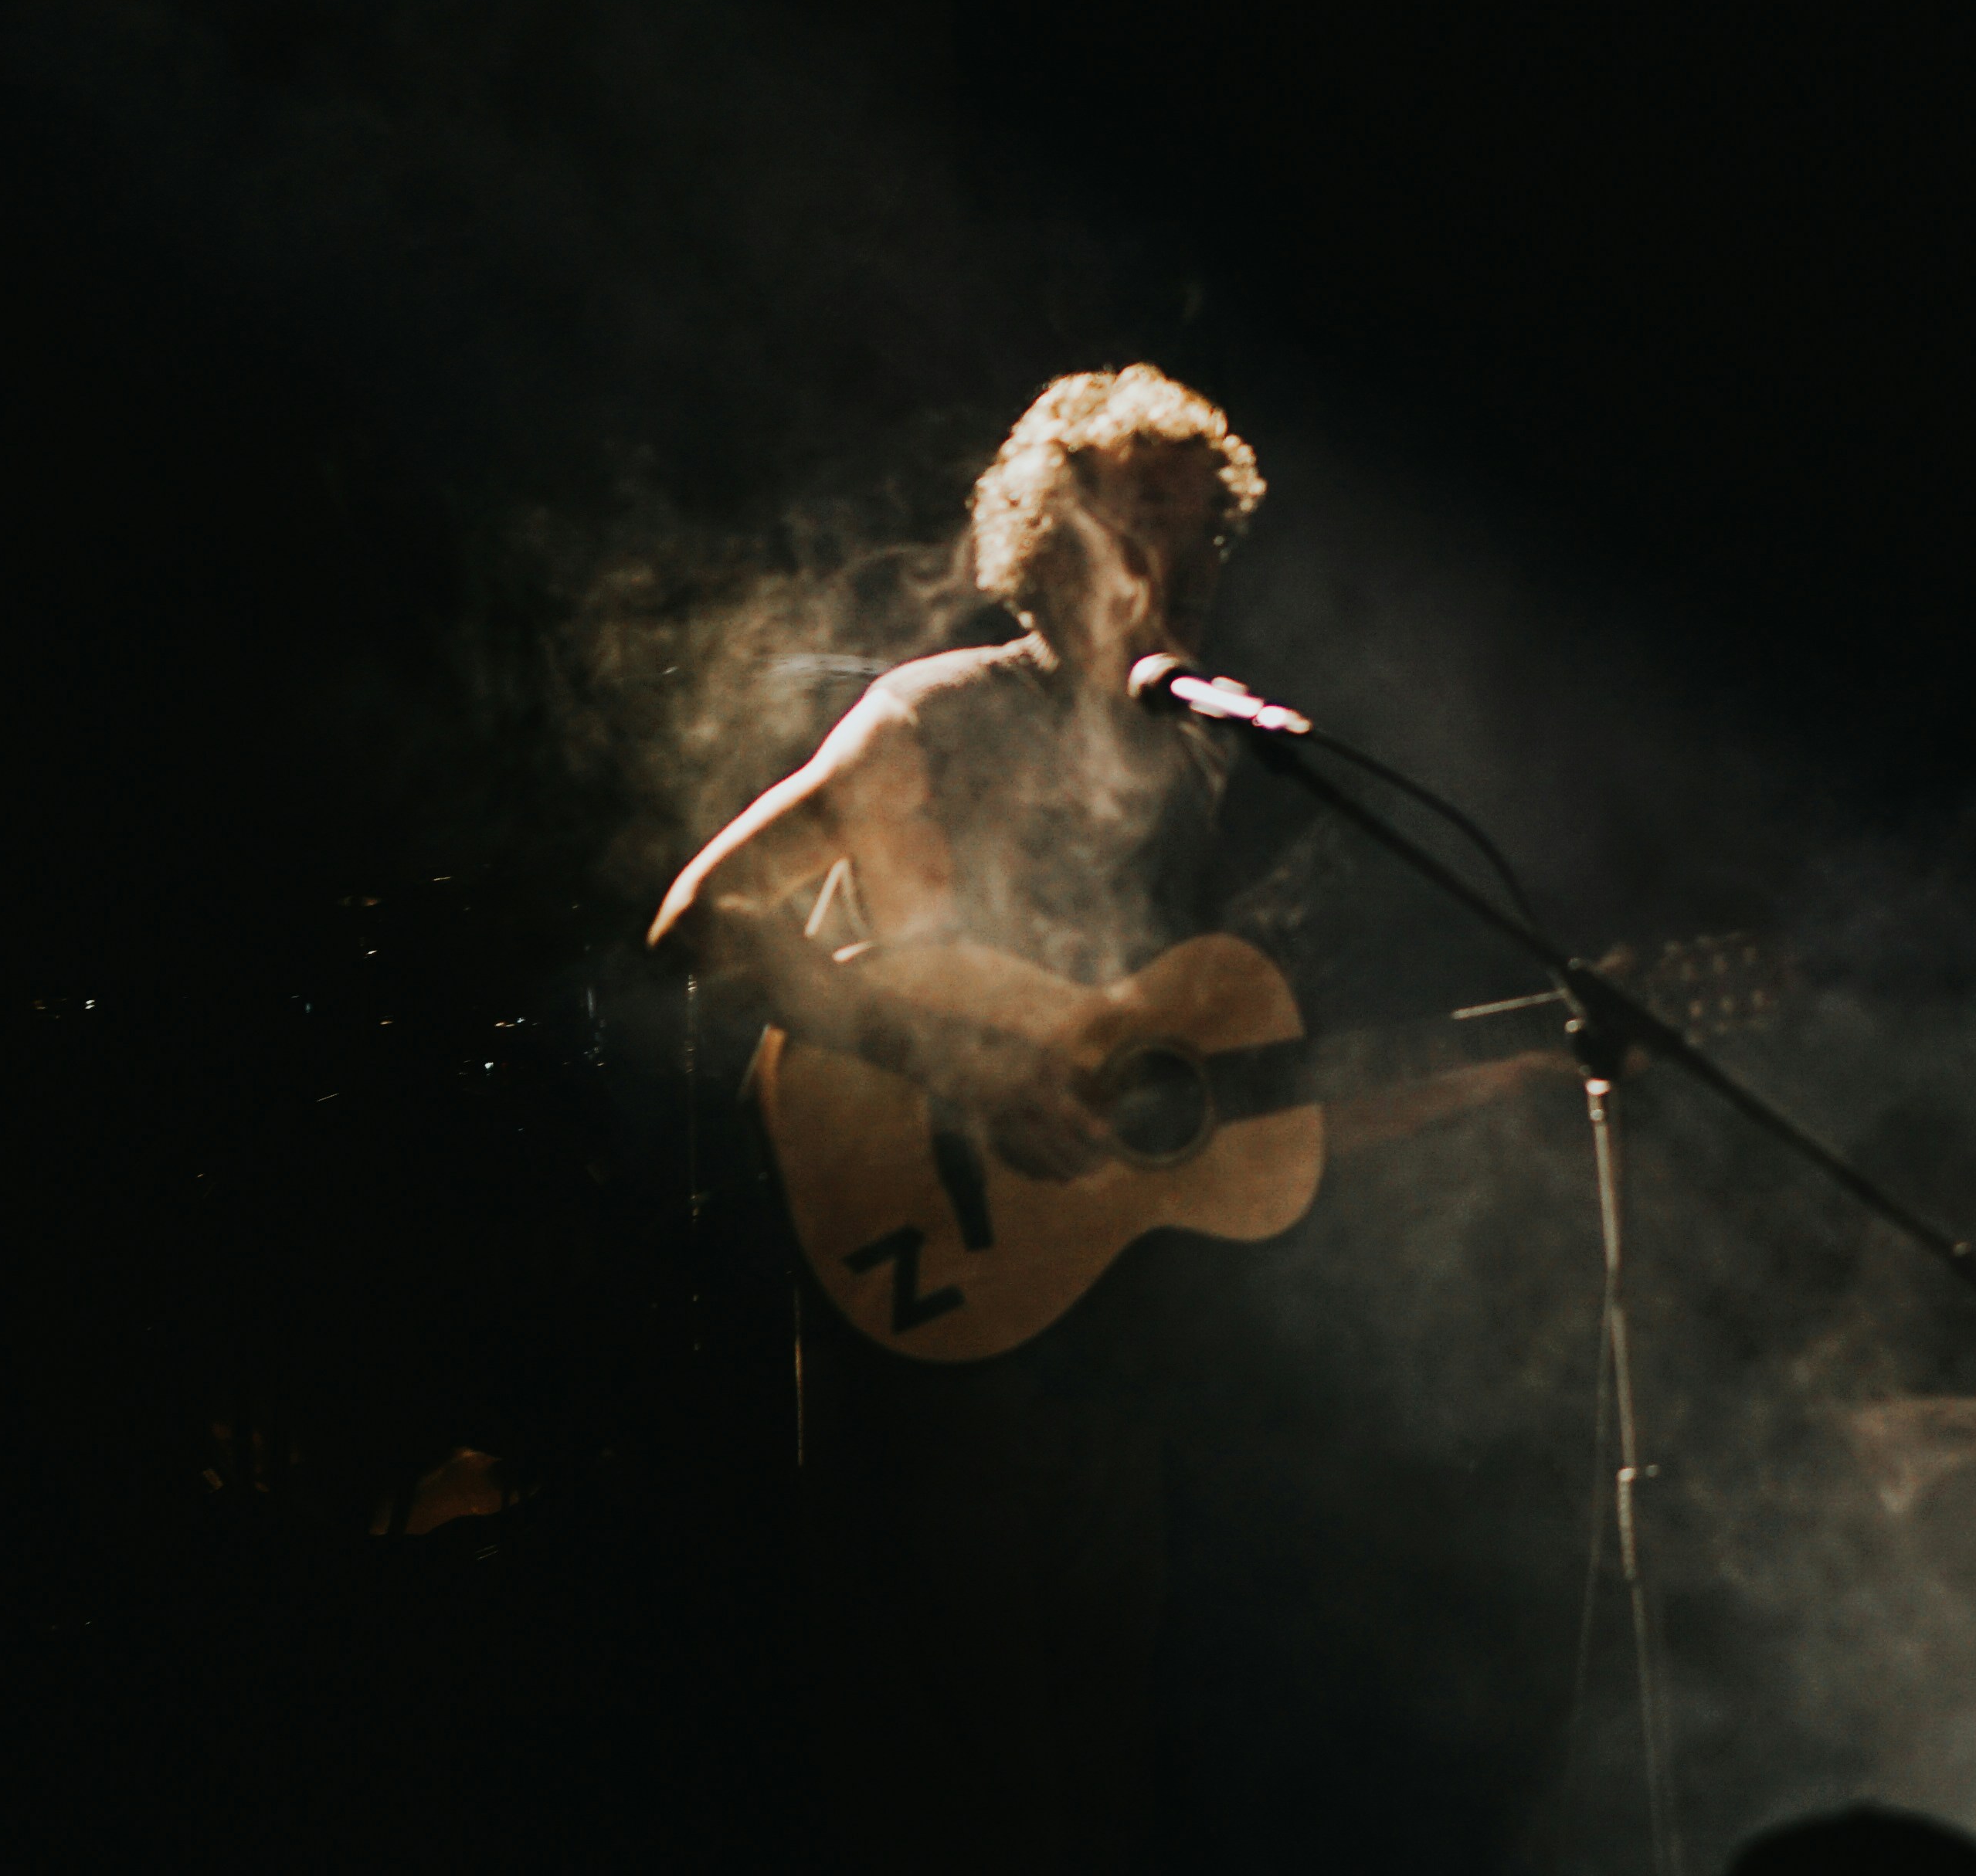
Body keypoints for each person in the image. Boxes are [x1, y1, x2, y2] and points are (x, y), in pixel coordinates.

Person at [647, 365, 1541, 1868]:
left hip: (1097, 1320)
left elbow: (1193, 1089)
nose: (1167, 563)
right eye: (1135, 520)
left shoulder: (1187, 754)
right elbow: (700, 917)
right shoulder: (926, 714)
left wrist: (1500, 1075)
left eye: (1196, 533)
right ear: (1043, 540)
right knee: (957, 1763)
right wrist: (959, 1069)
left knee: (1090, 1757)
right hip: (920, 1278)